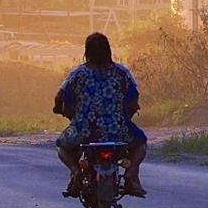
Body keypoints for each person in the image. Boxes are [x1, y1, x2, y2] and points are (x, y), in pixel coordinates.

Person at [54, 32, 147, 197]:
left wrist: (60, 109)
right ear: (108, 50)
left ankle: (75, 172)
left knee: (62, 147)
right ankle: (131, 174)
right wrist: (125, 116)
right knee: (141, 144)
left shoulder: (77, 74)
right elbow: (134, 98)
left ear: (86, 52)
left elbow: (61, 97)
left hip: (84, 131)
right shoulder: (122, 73)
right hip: (117, 130)